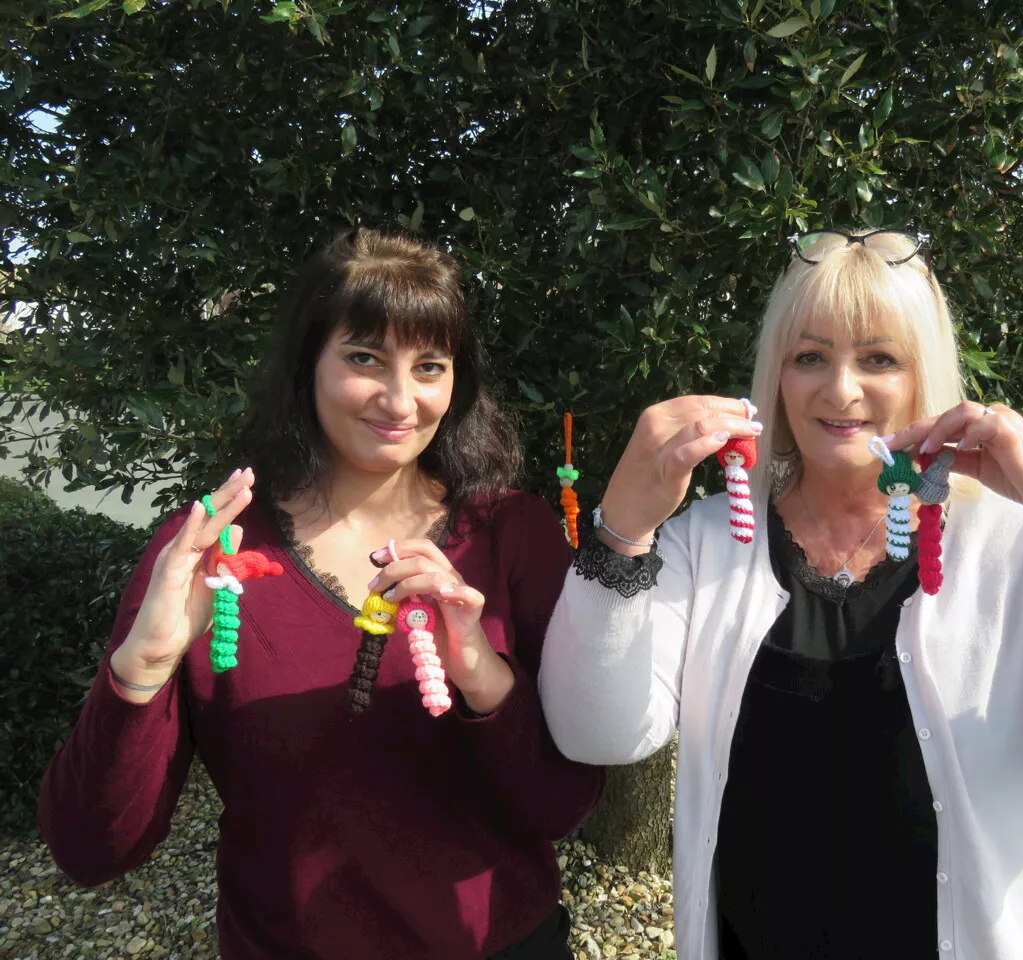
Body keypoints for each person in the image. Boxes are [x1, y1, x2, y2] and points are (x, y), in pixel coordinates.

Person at [536, 228, 1023, 960]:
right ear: (777, 374)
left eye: (879, 358)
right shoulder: (711, 538)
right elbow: (600, 733)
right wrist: (623, 527)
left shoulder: (1014, 541)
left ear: (923, 372)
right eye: (810, 357)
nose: (840, 389)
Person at [39, 227, 603, 960]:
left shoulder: (514, 536)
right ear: (308, 364)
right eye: (364, 358)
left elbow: (563, 804)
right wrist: (140, 667)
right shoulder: (214, 551)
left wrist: (485, 680)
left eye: (430, 366)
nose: (401, 400)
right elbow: (91, 850)